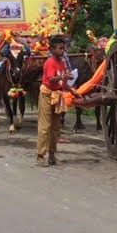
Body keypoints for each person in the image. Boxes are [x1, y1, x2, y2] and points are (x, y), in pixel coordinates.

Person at [36, 35, 73, 166]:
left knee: (56, 128)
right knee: (45, 126)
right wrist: (63, 76)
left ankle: (52, 155)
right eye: (60, 48)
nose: (62, 51)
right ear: (52, 50)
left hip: (57, 95)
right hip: (47, 94)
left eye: (64, 48)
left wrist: (73, 91)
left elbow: (62, 82)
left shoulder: (62, 63)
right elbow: (51, 79)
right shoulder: (50, 62)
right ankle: (40, 156)